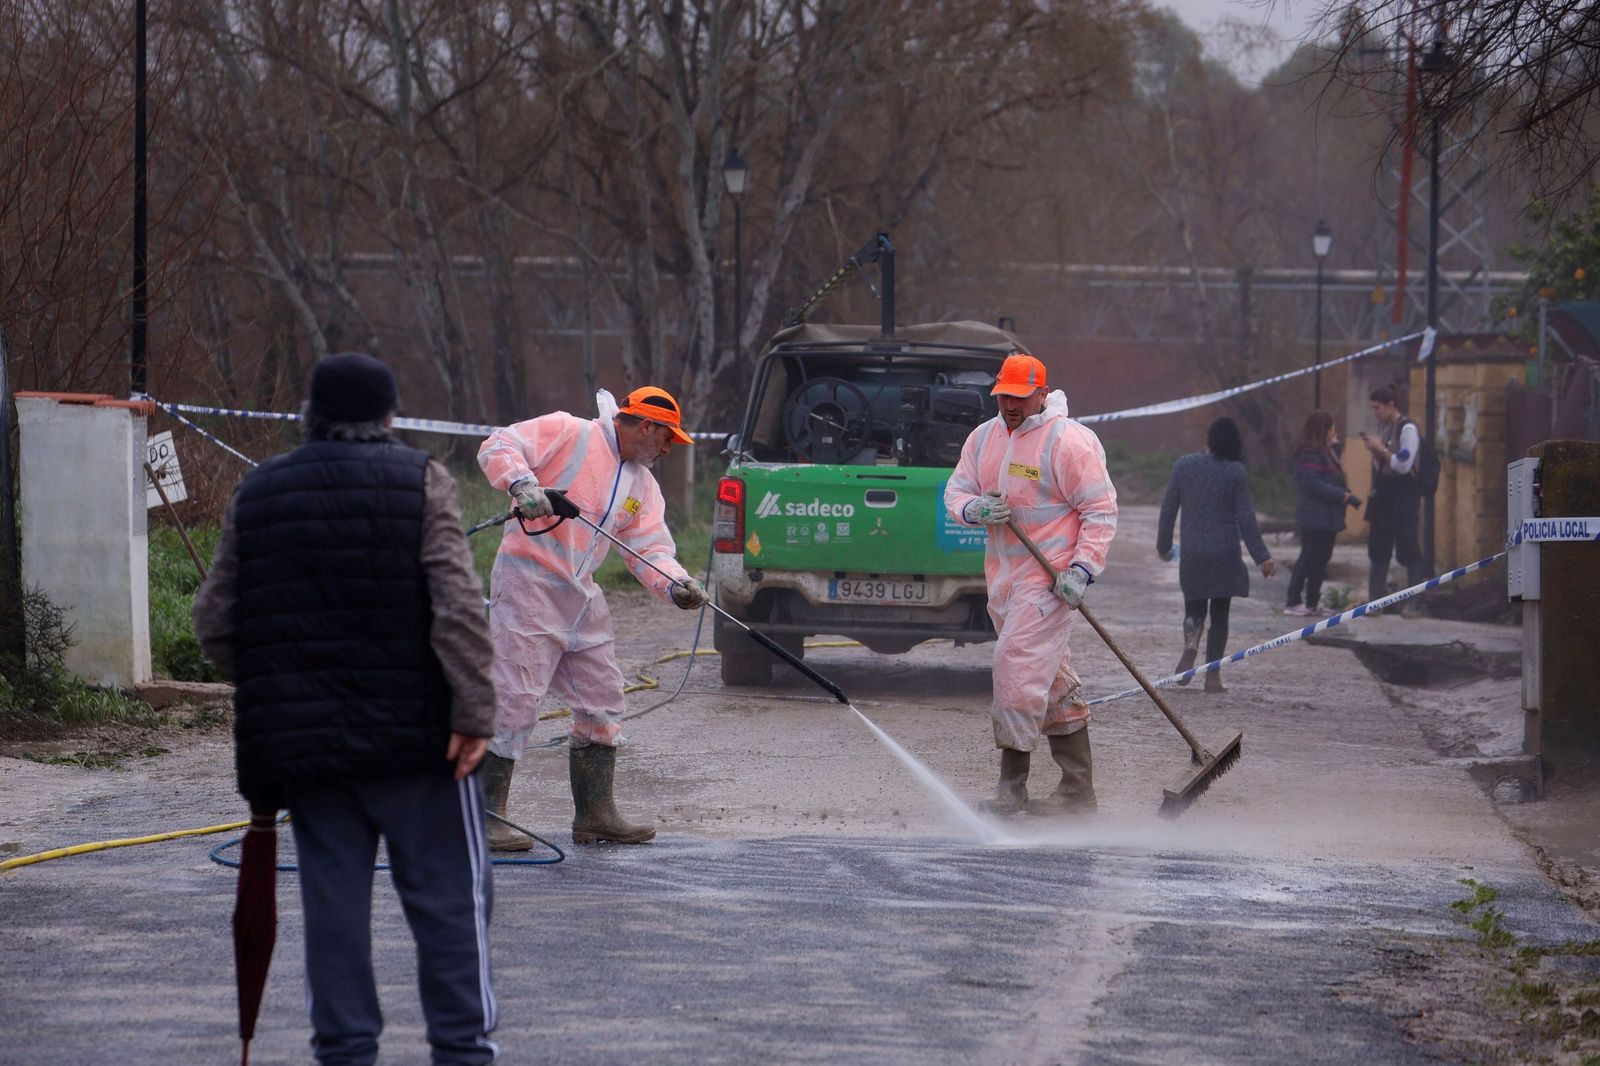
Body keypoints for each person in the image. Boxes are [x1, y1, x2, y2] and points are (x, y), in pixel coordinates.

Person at [193, 352, 500, 1065]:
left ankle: (345, 1051)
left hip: (312, 754)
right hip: (424, 747)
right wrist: (474, 712)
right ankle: (462, 1051)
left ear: (311, 413)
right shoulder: (421, 479)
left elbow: (215, 622)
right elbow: (457, 607)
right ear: (388, 415)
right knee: (451, 903)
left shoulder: (259, 489)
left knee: (332, 908)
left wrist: (283, 687)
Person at [477, 385, 707, 849]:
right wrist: (523, 485)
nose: (668, 449)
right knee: (515, 696)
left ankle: (595, 815)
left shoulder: (641, 485)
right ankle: (484, 817)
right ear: (647, 426)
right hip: (528, 582)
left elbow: (649, 548)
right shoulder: (570, 432)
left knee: (603, 697)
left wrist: (675, 584)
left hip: (580, 591)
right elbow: (498, 444)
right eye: (667, 439)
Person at [945, 353, 1118, 815]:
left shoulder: (1068, 442)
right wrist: (974, 509)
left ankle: (1012, 788)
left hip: (1049, 580)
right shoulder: (984, 438)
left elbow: (1100, 511)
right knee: (1051, 679)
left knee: (1015, 665)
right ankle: (1077, 792)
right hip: (1004, 579)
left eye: (1020, 397)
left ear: (1042, 394)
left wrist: (1082, 570)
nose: (1010, 405)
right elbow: (956, 491)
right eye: (1004, 396)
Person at [1156, 417, 1277, 693]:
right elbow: (1246, 518)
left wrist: (1163, 546)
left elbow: (1168, 509)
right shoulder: (1236, 472)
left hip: (1193, 553)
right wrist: (1262, 557)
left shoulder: (1183, 465)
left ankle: (1192, 637)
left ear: (1208, 439)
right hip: (1225, 553)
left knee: (1194, 608)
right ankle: (1212, 677)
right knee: (1220, 616)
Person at [1284, 410, 1362, 616]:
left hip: (1327, 517)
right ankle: (1293, 600)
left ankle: (1312, 602)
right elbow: (1312, 484)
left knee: (1321, 560)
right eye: (1332, 428)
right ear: (1324, 430)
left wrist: (1334, 448)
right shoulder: (1308, 453)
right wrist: (1341, 495)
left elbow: (1332, 475)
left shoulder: (1324, 452)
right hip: (1314, 516)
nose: (1335, 431)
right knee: (1309, 556)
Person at [1358, 384, 1425, 614]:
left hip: (1404, 493)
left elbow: (1403, 465)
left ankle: (1414, 603)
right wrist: (1376, 451)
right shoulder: (1383, 427)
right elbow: (1382, 464)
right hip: (1384, 491)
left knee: (1408, 546)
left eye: (1378, 408)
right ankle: (1375, 600)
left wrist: (1381, 450)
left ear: (1390, 405)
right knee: (1378, 545)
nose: (1375, 412)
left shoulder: (1407, 429)